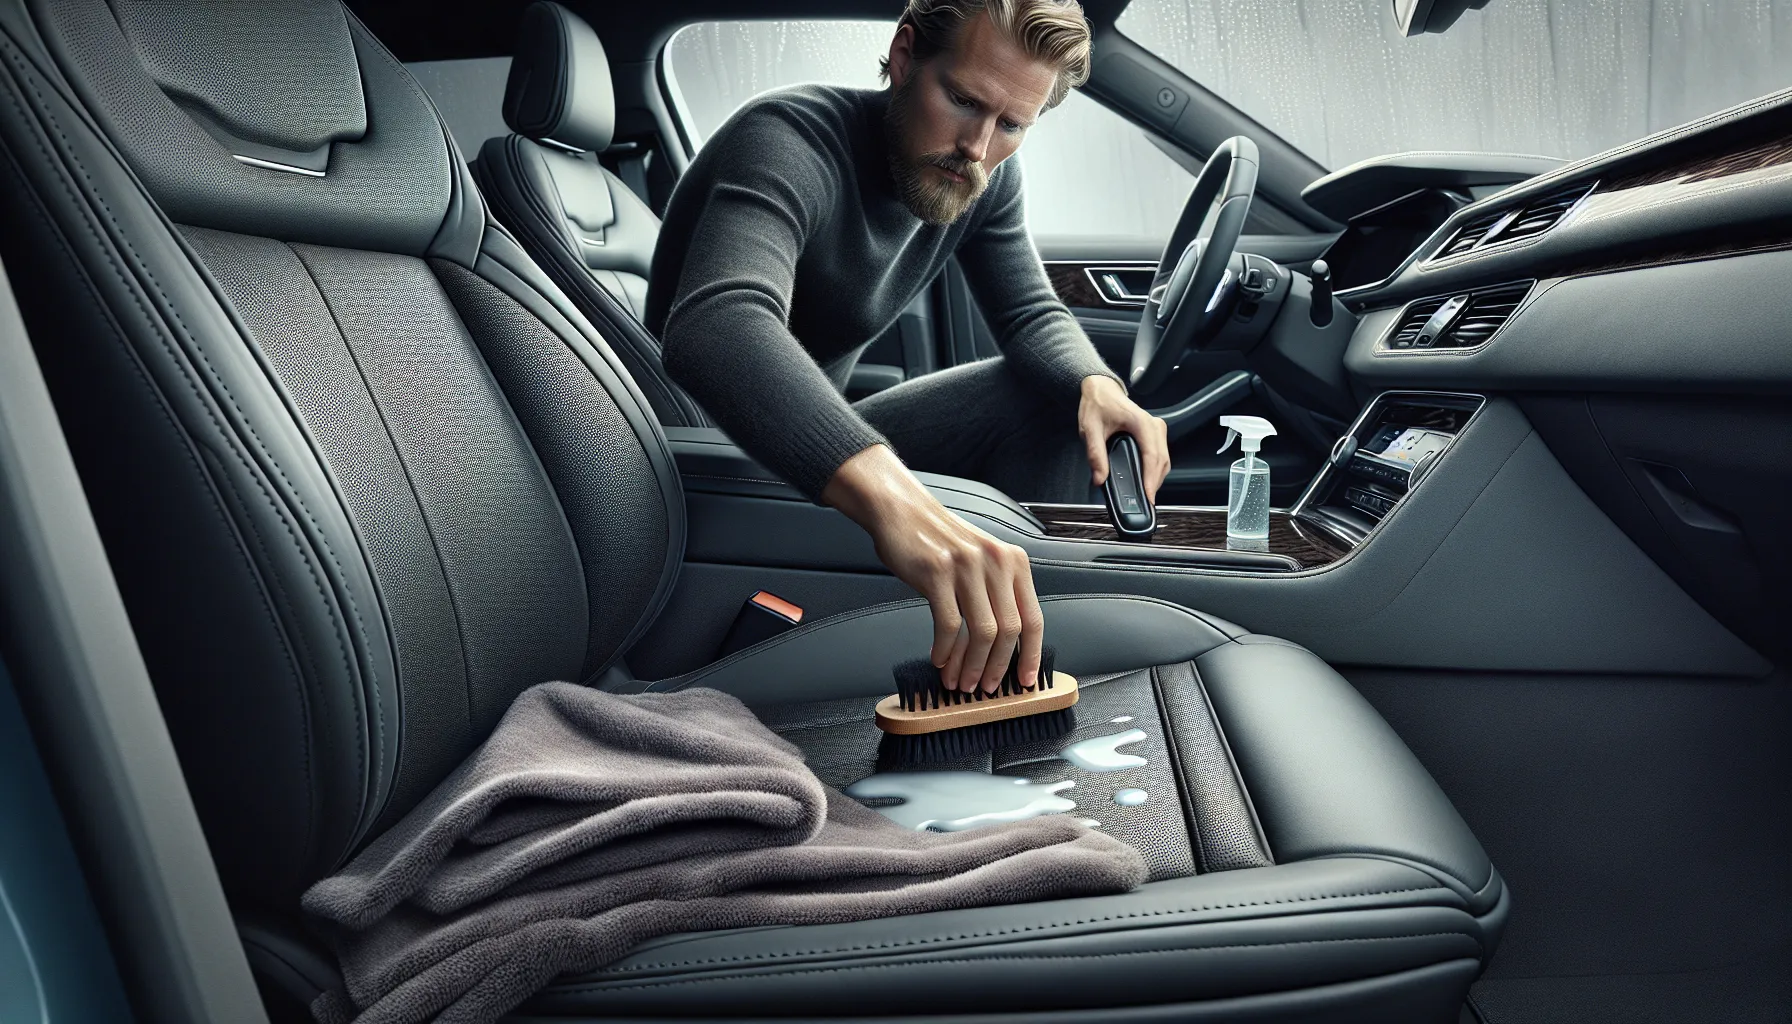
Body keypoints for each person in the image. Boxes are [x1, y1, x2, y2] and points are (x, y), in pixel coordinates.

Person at [646, 0, 1171, 698]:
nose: (978, 147)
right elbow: (718, 324)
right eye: (961, 100)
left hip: (803, 457)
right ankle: (999, 669)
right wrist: (898, 502)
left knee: (1055, 398)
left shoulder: (983, 178)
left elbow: (1030, 310)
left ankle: (1014, 646)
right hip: (711, 471)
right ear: (903, 54)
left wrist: (1096, 386)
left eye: (1013, 124)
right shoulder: (786, 141)